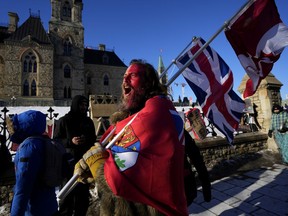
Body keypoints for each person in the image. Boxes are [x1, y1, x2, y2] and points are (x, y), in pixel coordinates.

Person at [73, 59, 188, 215]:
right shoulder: (126, 120)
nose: (124, 81)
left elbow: (126, 173)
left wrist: (97, 165)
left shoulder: (155, 116)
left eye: (132, 75)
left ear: (147, 84)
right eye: (123, 76)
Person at [7, 110, 58, 216]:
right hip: (49, 206)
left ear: (24, 126)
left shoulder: (28, 147)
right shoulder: (43, 142)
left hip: (33, 209)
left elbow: (23, 186)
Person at [54, 95, 97, 216]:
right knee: (67, 195)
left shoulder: (88, 122)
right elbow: (56, 141)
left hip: (84, 163)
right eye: (81, 105)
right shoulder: (64, 121)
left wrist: (86, 139)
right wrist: (70, 142)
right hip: (69, 164)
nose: (83, 107)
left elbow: (93, 138)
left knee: (82, 197)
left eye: (85, 105)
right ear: (75, 105)